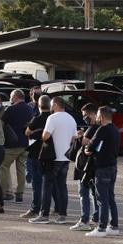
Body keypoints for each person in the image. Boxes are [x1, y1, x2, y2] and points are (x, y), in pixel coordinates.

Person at [30, 96, 77, 225]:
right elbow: (74, 138)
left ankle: (44, 215)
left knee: (47, 186)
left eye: (51, 104)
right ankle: (62, 215)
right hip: (65, 157)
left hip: (52, 157)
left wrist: (40, 134)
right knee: (62, 186)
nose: (50, 107)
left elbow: (46, 136)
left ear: (56, 104)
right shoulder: (71, 118)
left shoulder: (52, 118)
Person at [85, 107, 121, 237]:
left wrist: (87, 150)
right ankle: (114, 226)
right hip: (113, 166)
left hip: (102, 167)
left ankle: (101, 227)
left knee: (102, 199)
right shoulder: (115, 130)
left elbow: (91, 145)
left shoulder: (102, 129)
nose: (97, 118)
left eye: (99, 115)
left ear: (102, 117)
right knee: (110, 197)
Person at [71, 104, 100, 231]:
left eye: (85, 115)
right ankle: (96, 217)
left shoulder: (93, 128)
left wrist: (81, 137)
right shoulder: (101, 128)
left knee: (84, 192)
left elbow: (84, 142)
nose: (84, 118)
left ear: (93, 114)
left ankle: (84, 220)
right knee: (95, 193)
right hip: (97, 165)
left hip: (88, 166)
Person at [1, 90, 32, 205]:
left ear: (15, 97)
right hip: (25, 143)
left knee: (3, 166)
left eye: (11, 97)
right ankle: (20, 194)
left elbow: (1, 124)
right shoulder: (29, 108)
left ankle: (3, 192)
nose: (10, 100)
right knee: (21, 169)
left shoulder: (10, 109)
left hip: (11, 144)